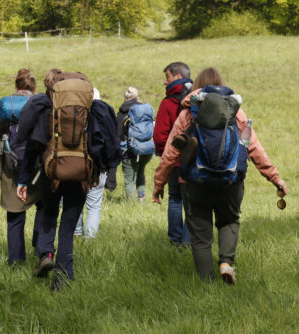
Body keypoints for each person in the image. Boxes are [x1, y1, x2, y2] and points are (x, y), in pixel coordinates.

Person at [153, 66, 288, 284]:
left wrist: (159, 184)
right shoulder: (234, 111)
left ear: (197, 86)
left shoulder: (188, 112)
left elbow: (171, 152)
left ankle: (207, 284)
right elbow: (254, 147)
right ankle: (226, 263)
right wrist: (275, 178)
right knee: (229, 221)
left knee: (200, 236)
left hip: (194, 182)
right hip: (230, 181)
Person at [15, 69, 120, 288]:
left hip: (50, 172)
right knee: (68, 226)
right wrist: (100, 171)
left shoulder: (46, 107)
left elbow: (32, 145)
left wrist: (23, 179)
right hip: (81, 174)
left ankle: (46, 254)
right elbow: (102, 143)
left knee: (48, 212)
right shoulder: (90, 109)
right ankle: (64, 276)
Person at [0, 69, 42, 265]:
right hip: (38, 168)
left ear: (15, 86)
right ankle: (42, 251)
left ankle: (16, 261)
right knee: (43, 209)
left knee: (14, 217)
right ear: (34, 87)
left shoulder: (7, 107)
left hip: (11, 168)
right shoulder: (40, 105)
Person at [154, 62, 192, 247]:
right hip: (195, 161)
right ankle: (189, 243)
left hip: (175, 162)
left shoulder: (168, 102)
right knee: (192, 203)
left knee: (175, 199)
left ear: (177, 76)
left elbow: (159, 136)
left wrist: (166, 154)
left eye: (167, 76)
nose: (165, 81)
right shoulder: (199, 101)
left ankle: (176, 242)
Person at [74, 88, 107, 238]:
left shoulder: (75, 115)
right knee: (94, 206)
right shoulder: (103, 117)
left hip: (77, 165)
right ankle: (90, 238)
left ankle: (76, 234)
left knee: (76, 202)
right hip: (98, 167)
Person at [116, 86, 155, 202]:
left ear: (125, 99)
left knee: (130, 180)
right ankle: (141, 198)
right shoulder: (146, 111)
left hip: (129, 151)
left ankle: (132, 203)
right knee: (141, 171)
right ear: (137, 97)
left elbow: (118, 134)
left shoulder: (122, 113)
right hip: (147, 149)